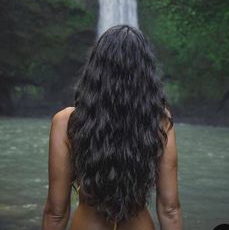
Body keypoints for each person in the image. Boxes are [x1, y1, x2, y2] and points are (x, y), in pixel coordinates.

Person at [41, 24, 182, 230]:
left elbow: (56, 211)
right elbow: (170, 209)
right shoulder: (159, 121)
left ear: (95, 69)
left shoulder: (66, 122)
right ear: (145, 73)